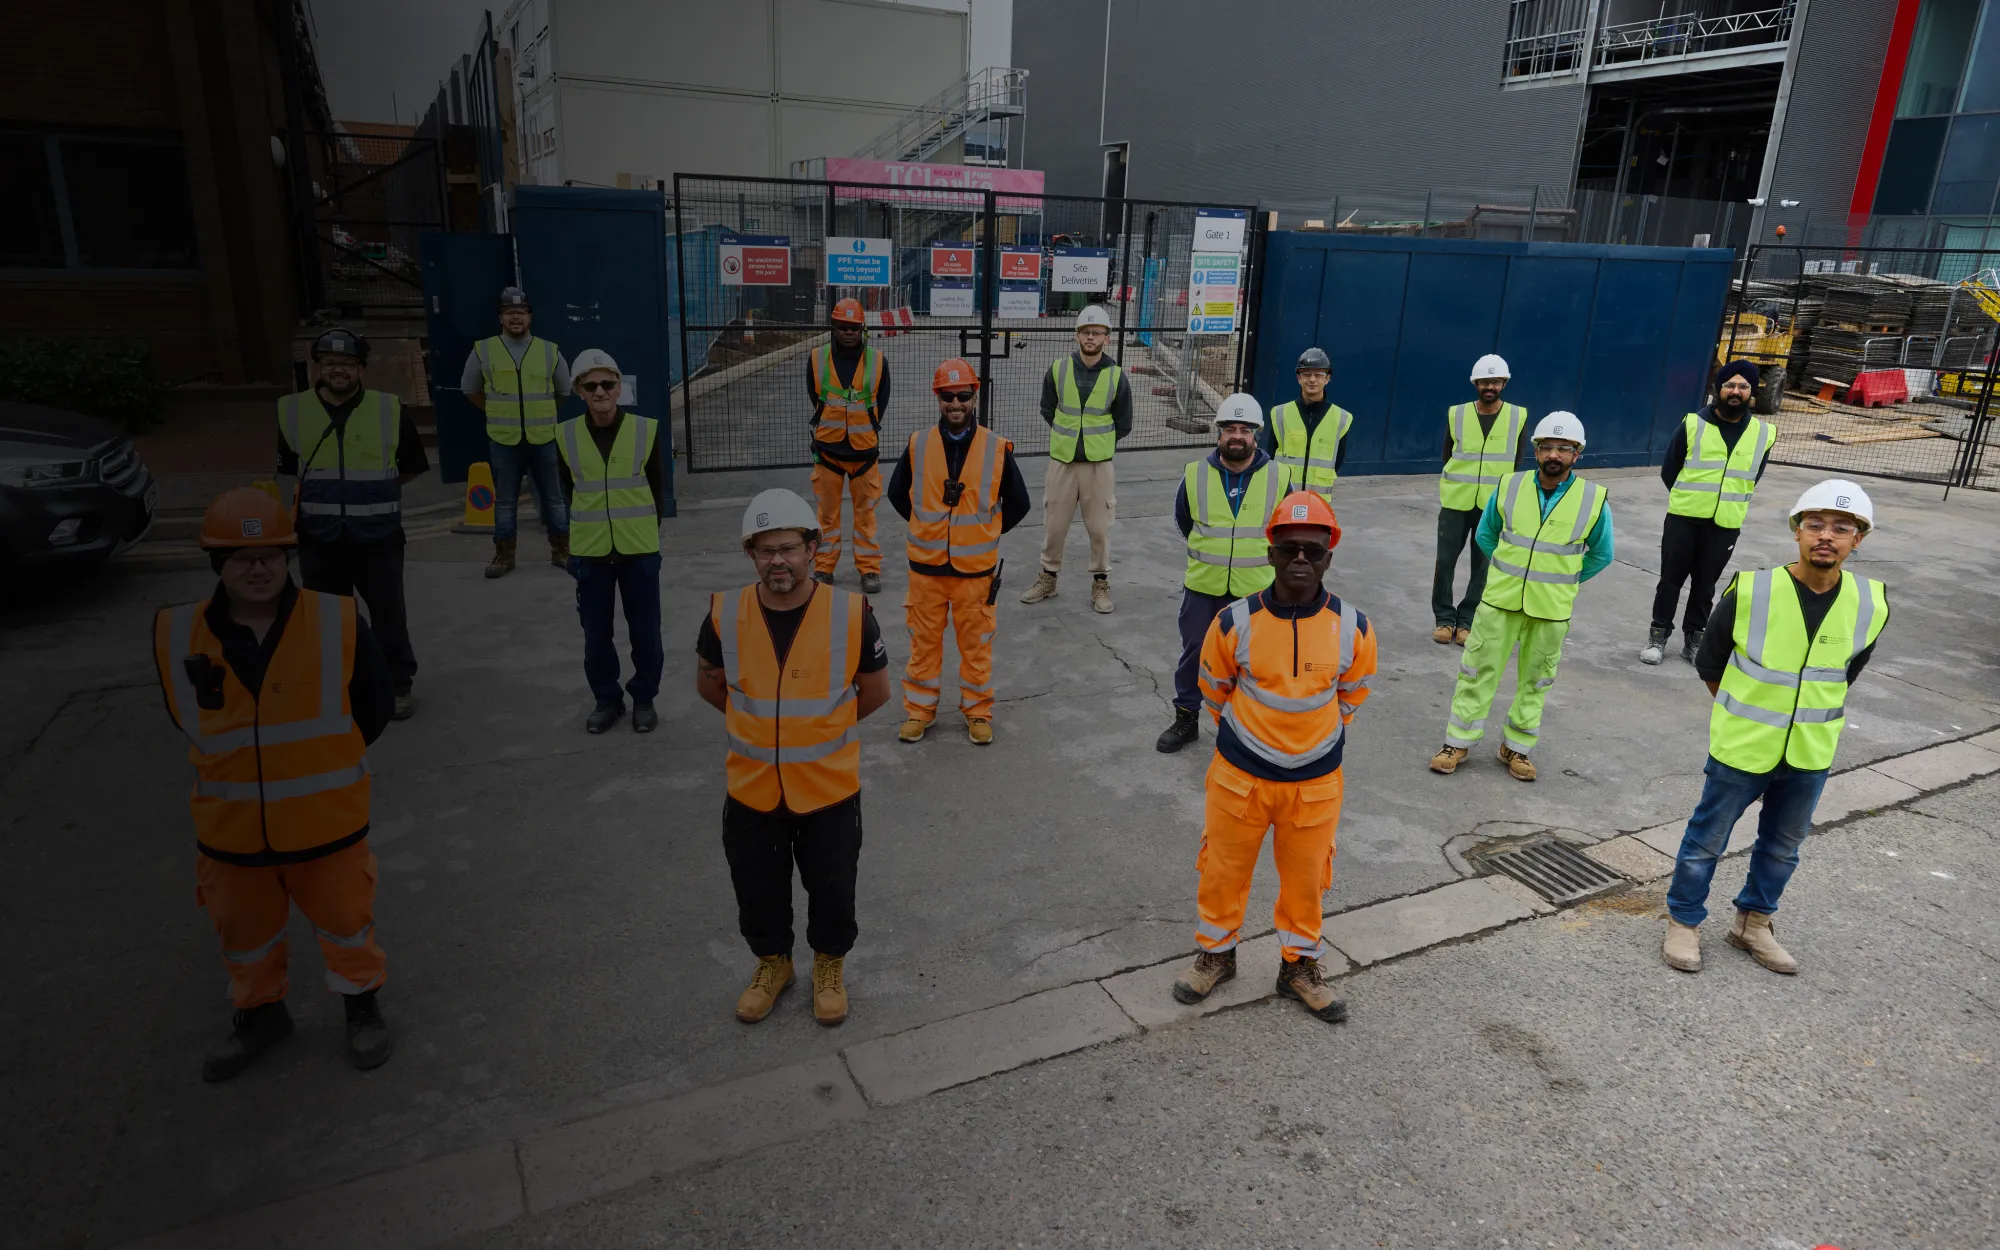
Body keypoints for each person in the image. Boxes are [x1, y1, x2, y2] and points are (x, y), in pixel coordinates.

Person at [154, 488, 396, 1082]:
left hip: (326, 824)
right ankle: (261, 1015)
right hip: (231, 833)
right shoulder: (177, 634)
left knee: (347, 924)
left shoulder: (336, 620)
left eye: (269, 555)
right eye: (240, 557)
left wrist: (317, 759)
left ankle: (361, 1009)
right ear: (218, 563)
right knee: (244, 935)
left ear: (287, 556)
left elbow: (375, 706)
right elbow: (184, 717)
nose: (257, 569)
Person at [1662, 480, 1888, 975]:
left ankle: (1753, 924)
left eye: (1841, 528)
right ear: (1797, 532)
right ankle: (1683, 922)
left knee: (1783, 848)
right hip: (1743, 746)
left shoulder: (1872, 602)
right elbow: (1710, 664)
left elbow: (1847, 672)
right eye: (1815, 525)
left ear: (1859, 539)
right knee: (1706, 841)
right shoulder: (1752, 589)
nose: (1826, 536)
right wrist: (1747, 712)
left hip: (1810, 751)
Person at [1171, 490, 1377, 1024]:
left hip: (1315, 785)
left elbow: (1352, 694)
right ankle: (1217, 955)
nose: (1301, 560)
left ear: (1330, 555)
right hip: (1240, 777)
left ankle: (1298, 967)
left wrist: (1307, 743)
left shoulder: (1353, 627)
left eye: (1312, 550)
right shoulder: (1233, 623)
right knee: (1222, 870)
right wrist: (1255, 742)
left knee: (1307, 881)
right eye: (1289, 549)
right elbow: (1213, 691)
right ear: (1271, 553)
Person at [695, 489, 893, 1025]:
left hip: (827, 788)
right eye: (765, 551)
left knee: (832, 883)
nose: (777, 561)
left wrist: (816, 733)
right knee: (756, 885)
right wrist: (763, 732)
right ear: (750, 555)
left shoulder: (852, 613)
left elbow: (875, 693)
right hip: (752, 787)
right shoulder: (724, 613)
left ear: (811, 549)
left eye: (787, 548)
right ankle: (773, 964)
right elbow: (711, 685)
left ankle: (829, 966)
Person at [1428, 413, 1613, 782]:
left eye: (1563, 448)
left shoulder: (1593, 499)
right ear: (1536, 451)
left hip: (1551, 608)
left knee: (1537, 680)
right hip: (1499, 601)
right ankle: (1457, 742)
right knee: (1477, 671)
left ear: (1577, 454)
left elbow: (1601, 554)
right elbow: (1486, 535)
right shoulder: (1510, 486)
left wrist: (1565, 582)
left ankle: (1516, 747)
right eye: (1547, 447)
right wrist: (1504, 571)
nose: (1554, 455)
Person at [277, 327, 429, 720]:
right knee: (327, 620)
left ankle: (397, 685)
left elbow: (412, 466)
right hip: (318, 538)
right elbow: (287, 472)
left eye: (347, 364)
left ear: (361, 368)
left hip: (378, 537)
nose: (338, 370)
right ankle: (338, 685)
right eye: (330, 364)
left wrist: (370, 494)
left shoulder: (389, 409)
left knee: (388, 616)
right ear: (318, 368)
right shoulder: (292, 411)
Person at [886, 358, 1031, 744]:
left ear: (974, 396)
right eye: (948, 396)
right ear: (938, 398)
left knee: (976, 647)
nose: (956, 403)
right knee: (923, 646)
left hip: (974, 573)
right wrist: (927, 527)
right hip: (927, 571)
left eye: (963, 396)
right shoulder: (919, 444)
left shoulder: (996, 448)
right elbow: (896, 494)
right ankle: (919, 711)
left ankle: (978, 712)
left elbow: (1019, 503)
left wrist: (986, 531)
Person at [1156, 392, 1284, 754]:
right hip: (1203, 585)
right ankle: (1186, 718)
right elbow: (1184, 522)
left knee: (1255, 661)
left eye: (1245, 429)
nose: (1237, 436)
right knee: (1195, 652)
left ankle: (1249, 727)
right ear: (1219, 433)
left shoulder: (1278, 476)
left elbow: (1284, 532)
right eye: (1231, 429)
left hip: (1256, 590)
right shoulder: (1195, 474)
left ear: (1255, 434)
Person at [555, 349, 666, 734]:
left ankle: (644, 698)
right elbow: (569, 489)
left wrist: (647, 535)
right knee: (597, 636)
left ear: (619, 387)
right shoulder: (565, 435)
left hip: (638, 550)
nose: (600, 391)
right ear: (579, 392)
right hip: (592, 552)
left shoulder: (645, 429)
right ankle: (607, 699)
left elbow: (657, 486)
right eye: (591, 385)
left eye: (607, 383)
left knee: (646, 632)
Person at [1641, 359, 1775, 665]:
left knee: (1705, 584)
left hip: (1726, 522)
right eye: (1729, 384)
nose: (1735, 391)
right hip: (1684, 519)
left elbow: (1754, 475)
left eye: (1743, 386)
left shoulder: (1763, 433)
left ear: (1751, 392)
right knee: (1670, 580)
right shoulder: (1692, 424)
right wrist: (1691, 499)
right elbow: (1669, 470)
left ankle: (1694, 638)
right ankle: (1658, 635)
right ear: (1718, 388)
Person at [1019, 305, 1131, 613]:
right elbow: (1048, 410)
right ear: (1076, 335)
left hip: (1098, 466)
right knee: (1054, 525)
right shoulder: (1058, 369)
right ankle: (1048, 578)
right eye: (1085, 332)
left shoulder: (1117, 377)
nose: (1090, 337)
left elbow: (1123, 423)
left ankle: (1100, 584)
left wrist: (1097, 444)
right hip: (1062, 464)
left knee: (1099, 528)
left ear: (1106, 338)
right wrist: (1069, 439)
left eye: (1096, 333)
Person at [463, 286, 573, 578]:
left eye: (521, 312)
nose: (515, 317)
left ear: (529, 317)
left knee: (554, 498)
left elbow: (563, 390)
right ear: (500, 317)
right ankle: (504, 555)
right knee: (504, 500)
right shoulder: (483, 350)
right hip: (504, 438)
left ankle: (562, 550)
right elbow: (470, 389)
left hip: (544, 437)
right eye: (509, 312)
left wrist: (542, 412)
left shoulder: (549, 350)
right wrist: (496, 410)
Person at [1432, 354, 1529, 645]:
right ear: (1476, 383)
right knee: (1445, 562)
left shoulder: (1518, 416)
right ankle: (1444, 620)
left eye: (1496, 381)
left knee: (1483, 566)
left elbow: (1516, 460)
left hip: (1493, 505)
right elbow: (1447, 455)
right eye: (1485, 381)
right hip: (1455, 502)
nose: (1490, 386)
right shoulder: (1456, 413)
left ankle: (1467, 621)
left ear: (1504, 383)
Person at [809, 298, 890, 595]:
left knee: (865, 516)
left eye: (854, 327)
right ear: (833, 328)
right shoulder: (817, 359)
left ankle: (869, 569)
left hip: (864, 455)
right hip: (829, 453)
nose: (848, 332)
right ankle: (824, 566)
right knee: (827, 516)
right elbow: (816, 397)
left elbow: (881, 401)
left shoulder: (878, 361)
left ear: (862, 329)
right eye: (843, 327)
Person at [1262, 347, 1353, 503]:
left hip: (1319, 501)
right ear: (1299, 378)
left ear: (1327, 378)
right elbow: (1270, 457)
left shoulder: (1341, 418)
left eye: (1318, 374)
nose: (1312, 380)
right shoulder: (1279, 414)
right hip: (1283, 497)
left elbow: (1338, 460)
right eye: (1306, 374)